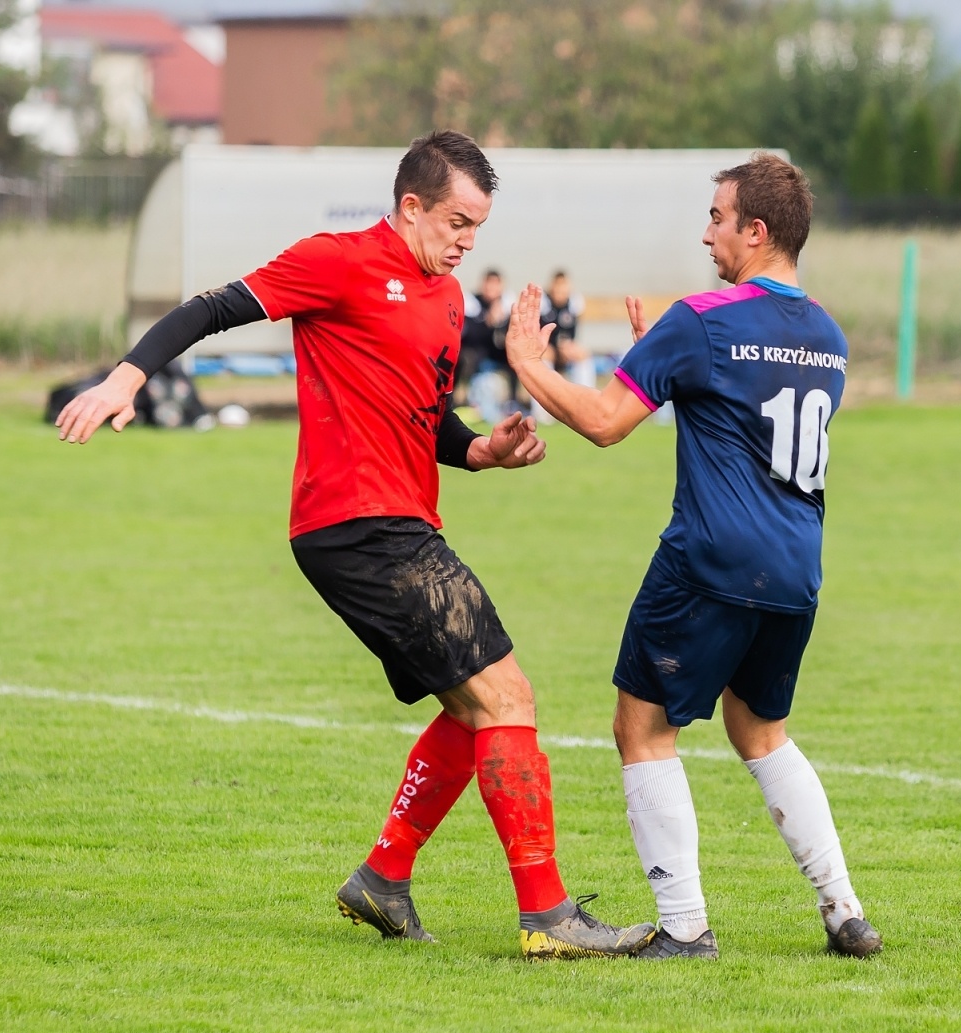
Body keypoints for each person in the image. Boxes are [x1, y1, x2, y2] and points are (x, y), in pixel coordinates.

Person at [54, 129, 654, 960]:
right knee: (509, 697)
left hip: (398, 519)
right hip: (358, 522)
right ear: (410, 206)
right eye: (455, 221)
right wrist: (127, 375)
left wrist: (485, 449)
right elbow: (212, 306)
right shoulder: (337, 260)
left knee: (473, 705)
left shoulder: (445, 300)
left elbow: (429, 419)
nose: (467, 241)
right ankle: (548, 917)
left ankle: (383, 878)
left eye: (478, 226)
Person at [502, 152, 882, 961]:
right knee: (760, 728)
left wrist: (530, 368)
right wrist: (669, 368)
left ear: (756, 229)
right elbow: (746, 430)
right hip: (796, 568)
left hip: (709, 560)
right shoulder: (828, 333)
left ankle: (684, 928)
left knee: (640, 728)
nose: (705, 232)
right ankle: (844, 909)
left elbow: (604, 422)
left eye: (717, 218)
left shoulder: (703, 320)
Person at [461, 269, 519, 422]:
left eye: (496, 285)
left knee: (516, 357)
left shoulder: (508, 305)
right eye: (489, 285)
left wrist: (503, 323)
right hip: (475, 355)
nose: (492, 290)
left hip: (498, 355)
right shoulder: (471, 303)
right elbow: (468, 336)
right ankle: (463, 402)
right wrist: (488, 322)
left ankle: (512, 402)